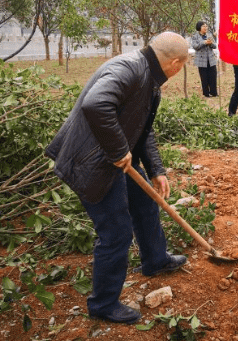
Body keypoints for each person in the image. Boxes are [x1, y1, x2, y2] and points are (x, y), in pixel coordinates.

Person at [45, 32, 190, 324]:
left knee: (146, 204)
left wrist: (156, 171)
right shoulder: (128, 69)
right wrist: (118, 149)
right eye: (182, 65)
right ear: (175, 63)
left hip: (112, 160)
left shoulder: (150, 79)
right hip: (92, 163)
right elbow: (96, 104)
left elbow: (142, 130)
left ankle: (155, 260)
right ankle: (103, 304)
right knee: (116, 232)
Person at [191, 21, 218, 97]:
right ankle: (206, 93)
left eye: (206, 26)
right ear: (199, 28)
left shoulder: (209, 35)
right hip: (201, 61)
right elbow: (195, 46)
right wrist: (204, 42)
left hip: (211, 59)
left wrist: (211, 43)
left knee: (213, 76)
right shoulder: (195, 36)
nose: (205, 28)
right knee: (204, 77)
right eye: (204, 26)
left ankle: (213, 92)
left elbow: (215, 46)